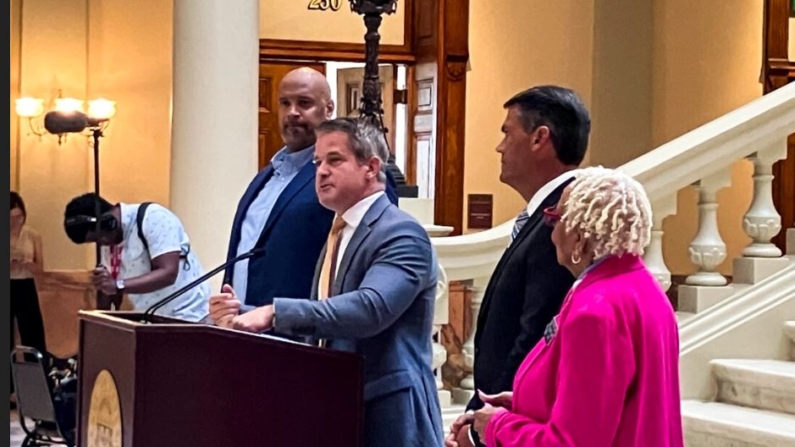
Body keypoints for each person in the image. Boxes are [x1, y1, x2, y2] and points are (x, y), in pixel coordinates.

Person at [211, 118, 443, 446]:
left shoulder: (401, 233)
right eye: (318, 162)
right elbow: (325, 314)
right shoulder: (338, 230)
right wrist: (243, 315)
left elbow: (369, 309)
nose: (319, 172)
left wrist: (273, 313)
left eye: (335, 160)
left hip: (389, 414)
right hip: (338, 406)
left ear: (371, 167)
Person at [466, 166, 683, 447]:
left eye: (554, 219)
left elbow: (571, 442)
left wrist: (497, 426)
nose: (551, 232)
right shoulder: (648, 290)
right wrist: (523, 403)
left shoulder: (594, 312)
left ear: (579, 239)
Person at [446, 85, 590, 446]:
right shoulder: (540, 216)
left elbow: (533, 335)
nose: (499, 146)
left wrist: (487, 426)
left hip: (518, 421)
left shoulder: (561, 220)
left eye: (507, 132)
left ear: (540, 138)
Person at [221, 67, 398, 329]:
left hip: (302, 339)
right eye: (285, 103)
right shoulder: (265, 177)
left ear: (328, 109)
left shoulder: (351, 177)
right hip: (244, 331)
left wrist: (278, 315)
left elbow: (371, 247)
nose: (292, 112)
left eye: (304, 103)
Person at [63, 193, 209, 321]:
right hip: (152, 320)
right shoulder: (110, 243)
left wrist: (117, 286)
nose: (101, 244)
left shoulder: (154, 218)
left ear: (108, 222)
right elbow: (110, 292)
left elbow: (168, 273)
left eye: (99, 239)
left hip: (190, 317)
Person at [10, 191, 48, 406]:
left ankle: (39, 390)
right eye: (11, 218)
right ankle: (9, 391)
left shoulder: (32, 235)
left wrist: (27, 264)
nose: (15, 221)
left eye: (19, 217)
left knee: (33, 335)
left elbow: (41, 269)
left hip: (25, 285)